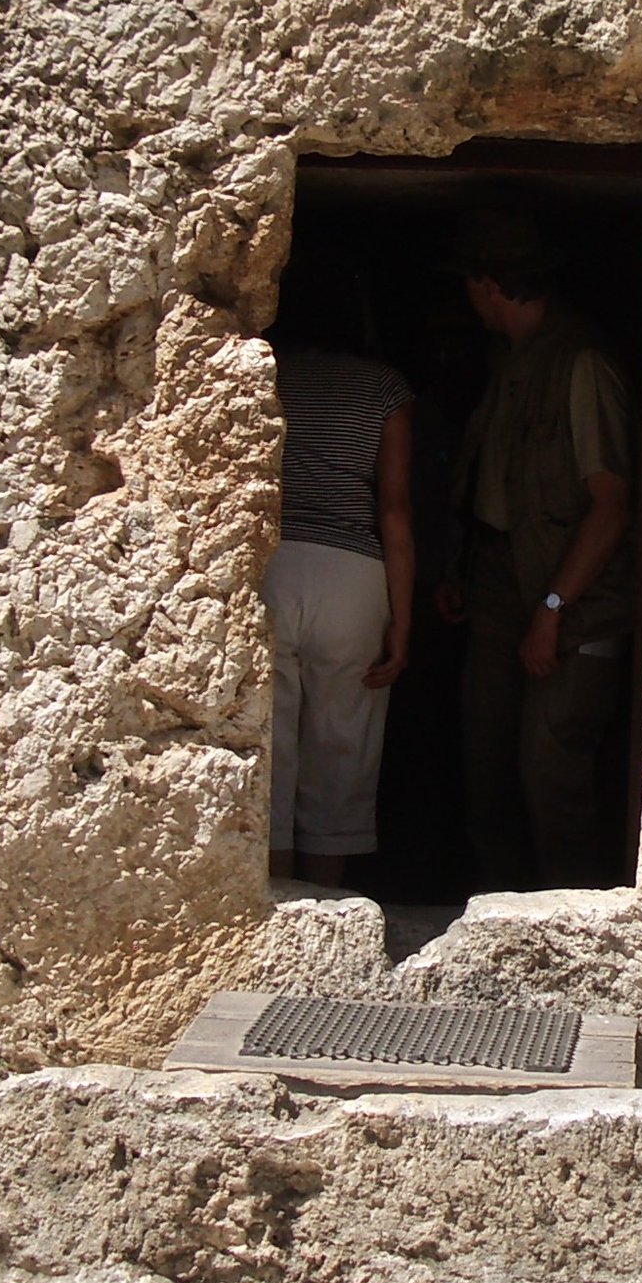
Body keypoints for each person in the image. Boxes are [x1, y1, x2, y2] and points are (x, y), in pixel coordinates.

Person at [438, 205, 635, 889]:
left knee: (551, 776)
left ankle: (569, 931)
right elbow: (493, 478)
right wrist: (461, 563)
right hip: (501, 587)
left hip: (570, 603)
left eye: (470, 282)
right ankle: (494, 923)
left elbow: (610, 505)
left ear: (489, 283)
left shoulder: (581, 362)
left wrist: (554, 605)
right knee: (486, 770)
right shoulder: (509, 361)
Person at [264, 260, 416, 888]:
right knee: (342, 752)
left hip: (272, 563)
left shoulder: (267, 376)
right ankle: (325, 912)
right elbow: (396, 510)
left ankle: (271, 905)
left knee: (269, 754)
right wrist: (402, 626)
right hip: (353, 576)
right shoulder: (386, 389)